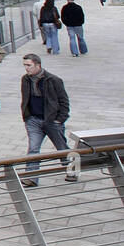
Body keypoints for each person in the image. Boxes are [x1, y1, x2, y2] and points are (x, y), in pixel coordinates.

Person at [19, 54, 74, 187]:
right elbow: (26, 98)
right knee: (33, 148)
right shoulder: (25, 79)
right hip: (33, 120)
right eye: (25, 65)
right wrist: (27, 116)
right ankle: (31, 177)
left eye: (29, 65)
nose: (26, 68)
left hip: (52, 120)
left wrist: (60, 120)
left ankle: (72, 171)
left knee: (61, 148)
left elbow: (64, 101)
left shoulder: (53, 80)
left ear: (38, 65)